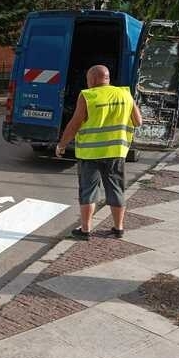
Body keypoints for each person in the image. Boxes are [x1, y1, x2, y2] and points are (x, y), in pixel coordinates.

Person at [56, 65, 142, 240]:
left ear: (93, 79)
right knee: (116, 189)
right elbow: (138, 121)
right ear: (107, 78)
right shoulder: (125, 94)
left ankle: (86, 230)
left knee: (88, 191)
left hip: (90, 153)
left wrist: (62, 145)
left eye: (88, 80)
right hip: (116, 151)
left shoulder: (88, 96)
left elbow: (75, 124)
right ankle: (118, 228)